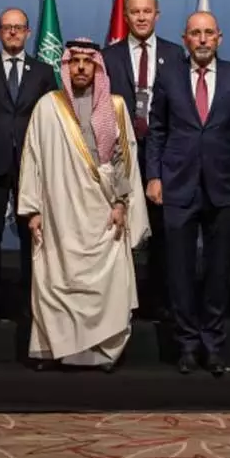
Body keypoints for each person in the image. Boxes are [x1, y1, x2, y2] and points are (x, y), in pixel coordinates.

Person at [19, 39, 146, 371]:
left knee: (105, 281)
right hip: (59, 210)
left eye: (87, 62)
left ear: (97, 67)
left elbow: (122, 160)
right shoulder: (48, 107)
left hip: (103, 208)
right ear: (65, 65)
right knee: (57, 277)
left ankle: (102, 351)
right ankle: (55, 348)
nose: (80, 67)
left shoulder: (115, 106)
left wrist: (121, 204)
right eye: (73, 61)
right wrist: (33, 209)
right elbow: (32, 158)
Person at [145, 11, 230, 378]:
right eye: (196, 33)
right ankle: (187, 345)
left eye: (209, 33)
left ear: (219, 38)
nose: (203, 39)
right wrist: (154, 176)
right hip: (178, 184)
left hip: (223, 185)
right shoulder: (169, 75)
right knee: (179, 270)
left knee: (218, 270)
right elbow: (157, 130)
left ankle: (213, 345)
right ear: (185, 39)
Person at [0, 7, 57, 324]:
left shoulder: (43, 72)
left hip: (32, 167)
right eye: (7, 27)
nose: (12, 32)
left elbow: (52, 123)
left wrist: (47, 167)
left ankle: (30, 303)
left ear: (28, 32)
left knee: (32, 240)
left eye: (18, 27)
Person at [103, 0, 185, 319]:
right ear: (125, 16)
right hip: (120, 153)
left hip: (164, 154)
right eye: (135, 11)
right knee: (118, 229)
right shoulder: (108, 57)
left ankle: (161, 303)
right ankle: (119, 302)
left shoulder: (176, 54)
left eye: (147, 11)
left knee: (163, 232)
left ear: (157, 15)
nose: (141, 17)